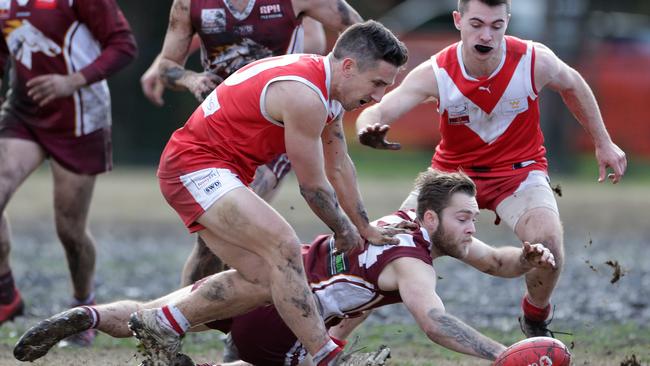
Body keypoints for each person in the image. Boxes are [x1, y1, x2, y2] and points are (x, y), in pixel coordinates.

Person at [14, 170, 557, 365]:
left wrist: (527, 257)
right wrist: (501, 354)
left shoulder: (402, 218)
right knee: (318, 359)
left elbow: (491, 259)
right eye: (465, 219)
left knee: (156, 312)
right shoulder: (413, 265)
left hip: (267, 274)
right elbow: (435, 322)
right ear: (433, 218)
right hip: (285, 322)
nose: (473, 229)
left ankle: (87, 316)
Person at [124, 20, 408, 366]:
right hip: (195, 166)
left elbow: (339, 167)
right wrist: (344, 230)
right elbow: (314, 186)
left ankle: (163, 321)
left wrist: (364, 228)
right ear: (348, 67)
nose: (378, 97)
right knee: (285, 246)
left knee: (263, 280)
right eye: (377, 83)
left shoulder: (327, 89)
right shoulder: (305, 94)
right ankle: (326, 358)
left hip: (208, 168)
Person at [354, 0, 627, 338]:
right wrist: (367, 129)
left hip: (518, 171)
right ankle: (332, 339)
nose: (486, 35)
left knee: (549, 244)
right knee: (387, 248)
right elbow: (380, 110)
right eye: (477, 24)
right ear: (458, 20)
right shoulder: (437, 71)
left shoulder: (532, 59)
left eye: (496, 26)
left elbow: (572, 83)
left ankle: (536, 316)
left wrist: (603, 142)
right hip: (450, 180)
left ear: (507, 23)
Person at [140, 0, 364, 286]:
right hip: (223, 128)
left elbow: (363, 37)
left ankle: (207, 315)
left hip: (277, 124)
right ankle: (186, 314)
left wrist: (337, 79)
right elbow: (167, 67)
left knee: (236, 227)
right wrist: (191, 79)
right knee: (214, 237)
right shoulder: (189, 4)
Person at [0, 0, 137, 347]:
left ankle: (83, 304)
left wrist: (71, 82)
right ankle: (6, 295)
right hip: (24, 112)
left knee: (70, 231)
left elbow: (123, 45)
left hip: (80, 119)